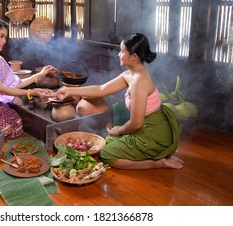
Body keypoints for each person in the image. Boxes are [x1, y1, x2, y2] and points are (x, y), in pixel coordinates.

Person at [55, 33, 184, 169]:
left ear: (134, 56)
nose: (118, 54)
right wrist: (69, 90)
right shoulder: (130, 74)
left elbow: (136, 124)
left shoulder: (139, 82)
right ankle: (156, 154)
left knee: (106, 155)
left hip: (153, 132)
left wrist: (119, 130)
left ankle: (157, 162)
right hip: (145, 126)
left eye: (122, 51)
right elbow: (101, 89)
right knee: (108, 140)